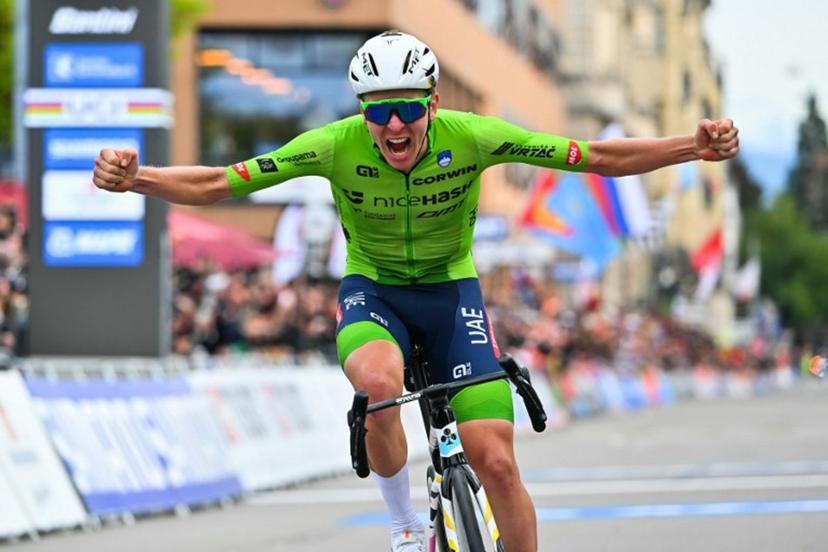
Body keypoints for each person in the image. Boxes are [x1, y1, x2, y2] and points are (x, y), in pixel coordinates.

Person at [93, 30, 739, 552]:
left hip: (452, 296)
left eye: (407, 107)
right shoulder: (334, 147)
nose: (395, 126)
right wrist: (137, 180)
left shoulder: (475, 137)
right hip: (374, 294)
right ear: (361, 114)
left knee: (500, 464)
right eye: (379, 111)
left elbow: (594, 156)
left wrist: (692, 148)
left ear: (433, 104)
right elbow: (219, 183)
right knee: (378, 384)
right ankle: (405, 525)